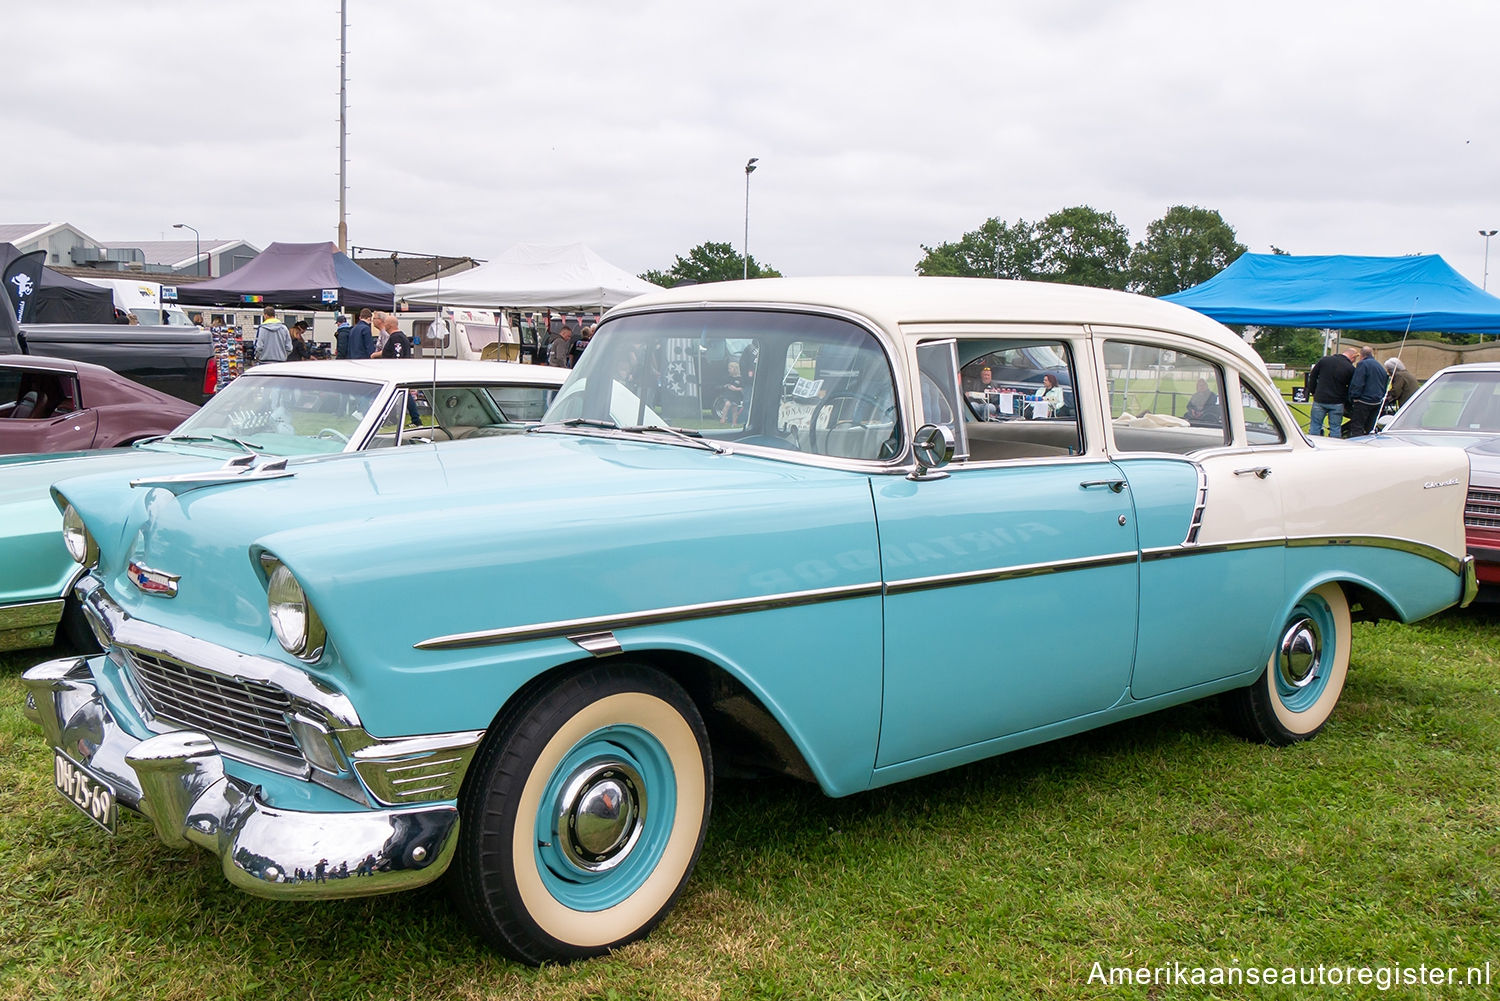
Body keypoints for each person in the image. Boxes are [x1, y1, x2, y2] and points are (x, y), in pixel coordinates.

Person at [1306, 346, 1357, 437]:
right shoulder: (1350, 368)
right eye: (1355, 359)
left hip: (1320, 399)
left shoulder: (1325, 360)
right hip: (1337, 402)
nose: (1354, 361)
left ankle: (1314, 445)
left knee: (1315, 426)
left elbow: (1313, 376)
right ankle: (1334, 446)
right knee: (1335, 428)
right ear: (1352, 357)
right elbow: (1351, 387)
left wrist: (1313, 391)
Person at [1345, 345, 1390, 437]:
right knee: (1370, 428)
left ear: (1361, 355)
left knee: (1357, 427)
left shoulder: (1362, 365)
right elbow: (1385, 383)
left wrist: (1353, 397)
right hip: (1376, 402)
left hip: (1363, 401)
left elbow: (1357, 382)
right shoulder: (1380, 366)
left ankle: (1356, 445)